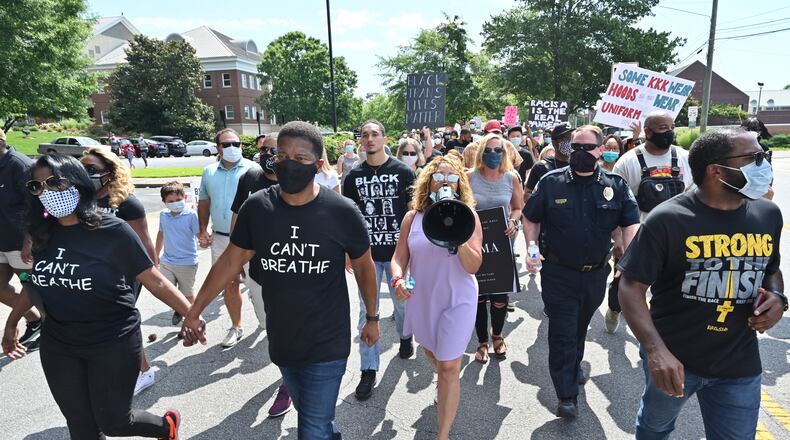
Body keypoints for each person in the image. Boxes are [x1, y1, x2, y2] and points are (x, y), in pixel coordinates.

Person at [181, 121, 381, 440]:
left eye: (300, 159)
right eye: (282, 155)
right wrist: (195, 310)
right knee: (313, 417)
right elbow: (230, 260)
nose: (289, 163)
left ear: (317, 166)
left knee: (311, 429)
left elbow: (365, 267)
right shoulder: (258, 207)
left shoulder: (342, 212)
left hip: (327, 340)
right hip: (283, 338)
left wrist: (372, 318)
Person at [2, 154, 190, 440]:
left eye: (54, 182)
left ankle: (166, 427)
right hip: (60, 344)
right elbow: (38, 282)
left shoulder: (112, 231)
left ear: (77, 181)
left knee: (115, 423)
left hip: (111, 341)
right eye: (37, 187)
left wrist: (192, 314)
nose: (47, 192)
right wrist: (12, 322)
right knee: (82, 428)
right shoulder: (42, 233)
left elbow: (155, 280)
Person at [617, 128, 784, 439]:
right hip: (674, 356)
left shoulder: (768, 214)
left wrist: (777, 296)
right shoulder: (668, 219)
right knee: (655, 428)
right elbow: (630, 287)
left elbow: (771, 269)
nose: (764, 164)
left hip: (739, 361)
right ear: (716, 171)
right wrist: (655, 351)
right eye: (754, 158)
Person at [523, 125, 640, 418]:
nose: (580, 153)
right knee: (563, 331)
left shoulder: (615, 185)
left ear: (601, 150)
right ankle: (566, 395)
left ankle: (573, 368)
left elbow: (629, 224)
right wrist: (531, 246)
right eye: (575, 147)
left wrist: (628, 260)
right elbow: (530, 217)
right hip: (558, 272)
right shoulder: (551, 182)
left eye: (587, 148)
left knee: (578, 328)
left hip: (595, 274)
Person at [391, 156, 483, 440]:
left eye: (452, 176)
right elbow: (399, 258)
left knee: (448, 365)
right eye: (439, 176)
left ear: (460, 184)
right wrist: (397, 278)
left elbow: (473, 266)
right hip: (424, 297)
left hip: (458, 297)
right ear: (428, 181)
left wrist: (459, 239)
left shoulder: (469, 216)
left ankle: (442, 434)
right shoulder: (412, 217)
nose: (445, 181)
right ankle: (446, 380)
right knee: (432, 351)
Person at [342, 119, 416, 401]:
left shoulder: (402, 172)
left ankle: (406, 335)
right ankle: (368, 369)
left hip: (398, 254)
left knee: (403, 305)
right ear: (360, 141)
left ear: (385, 139)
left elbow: (412, 213)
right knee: (366, 311)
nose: (370, 139)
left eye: (375, 134)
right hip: (366, 257)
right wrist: (348, 251)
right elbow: (348, 218)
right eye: (365, 135)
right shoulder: (353, 176)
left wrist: (413, 251)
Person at [80, 147, 159, 395]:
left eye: (92, 169)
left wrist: (154, 277)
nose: (86, 174)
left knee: (122, 322)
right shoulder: (84, 200)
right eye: (83, 168)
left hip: (124, 273)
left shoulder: (128, 204)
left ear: (110, 172)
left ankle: (143, 371)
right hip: (93, 272)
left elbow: (145, 242)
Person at [606, 111, 694, 333]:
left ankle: (657, 327)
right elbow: (615, 206)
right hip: (636, 236)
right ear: (647, 132)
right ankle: (615, 308)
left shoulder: (685, 157)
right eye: (663, 128)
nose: (670, 132)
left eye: (671, 126)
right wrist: (618, 239)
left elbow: (696, 197)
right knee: (624, 283)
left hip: (677, 236)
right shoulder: (627, 161)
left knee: (670, 286)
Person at [229, 131, 293, 418]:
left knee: (289, 329)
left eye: (276, 150)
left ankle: (288, 383)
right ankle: (289, 371)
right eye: (266, 150)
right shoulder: (249, 179)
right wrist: (237, 262)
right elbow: (236, 219)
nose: (270, 155)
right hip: (256, 271)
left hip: (294, 272)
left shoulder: (297, 179)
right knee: (272, 329)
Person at [468, 133, 524, 363]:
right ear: (481, 152)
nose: (493, 154)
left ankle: (498, 336)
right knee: (479, 296)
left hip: (502, 245)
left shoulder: (511, 178)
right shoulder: (469, 176)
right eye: (489, 150)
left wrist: (514, 221)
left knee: (500, 295)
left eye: (498, 150)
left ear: (504, 153)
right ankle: (481, 341)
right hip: (475, 245)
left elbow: (518, 207)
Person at [197, 128, 255, 348]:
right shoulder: (209, 172)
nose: (233, 148)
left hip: (251, 239)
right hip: (221, 238)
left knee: (260, 286)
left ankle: (266, 318)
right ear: (218, 148)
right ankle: (236, 326)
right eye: (227, 144)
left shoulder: (253, 169)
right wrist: (202, 229)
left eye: (236, 144)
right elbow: (204, 202)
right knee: (229, 284)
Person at [0, 128, 42, 349]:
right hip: (2, 243)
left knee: (32, 287)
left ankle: (51, 329)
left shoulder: (20, 165)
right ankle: (35, 320)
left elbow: (35, 206)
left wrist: (29, 240)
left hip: (20, 244)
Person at [155, 182, 200, 324]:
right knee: (167, 291)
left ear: (185, 197)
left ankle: (191, 321)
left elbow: (199, 234)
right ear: (164, 202)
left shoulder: (191, 215)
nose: (175, 204)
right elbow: (161, 234)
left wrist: (206, 239)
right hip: (167, 261)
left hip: (187, 263)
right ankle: (179, 308)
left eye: (178, 200)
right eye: (171, 202)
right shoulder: (163, 215)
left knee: (187, 294)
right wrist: (156, 254)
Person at [523, 123, 574, 204]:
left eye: (572, 138)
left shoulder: (579, 166)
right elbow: (526, 195)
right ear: (554, 143)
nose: (569, 142)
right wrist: (546, 204)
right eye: (565, 138)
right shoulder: (541, 166)